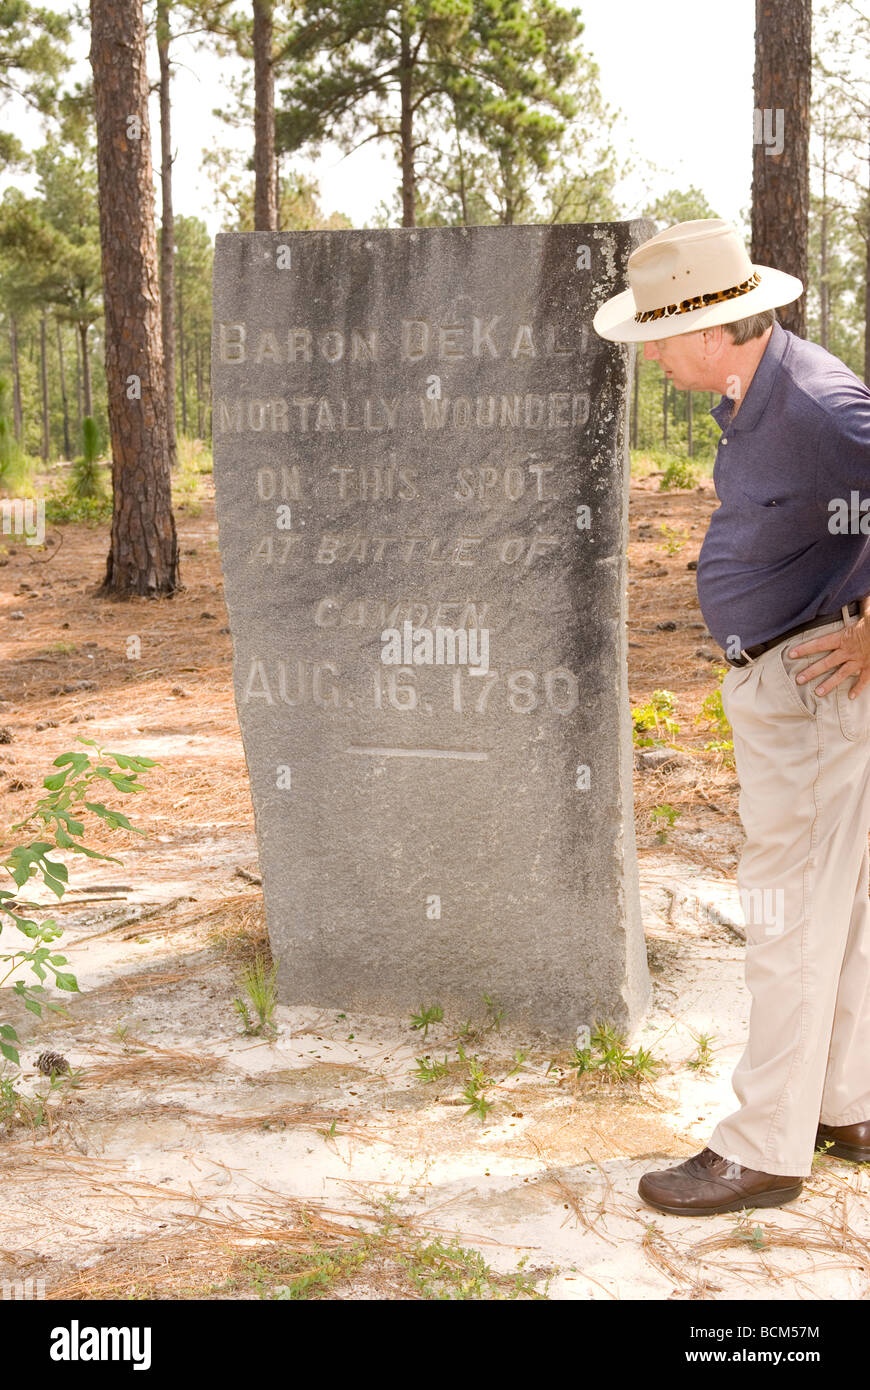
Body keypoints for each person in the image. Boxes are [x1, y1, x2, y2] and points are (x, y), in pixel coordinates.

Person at [593, 218, 870, 1216]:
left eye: (660, 336)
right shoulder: (753, 393)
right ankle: (843, 1104)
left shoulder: (820, 406)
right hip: (795, 688)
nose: (653, 354)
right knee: (837, 912)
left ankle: (763, 1149)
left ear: (714, 325)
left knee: (787, 915)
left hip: (816, 692)